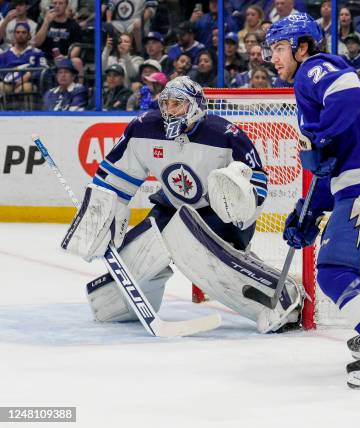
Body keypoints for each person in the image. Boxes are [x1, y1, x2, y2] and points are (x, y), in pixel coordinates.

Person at [60, 76, 303, 336]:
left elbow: (256, 182)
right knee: (137, 252)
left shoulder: (226, 135)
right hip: (172, 206)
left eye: (178, 104)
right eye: (166, 104)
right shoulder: (144, 129)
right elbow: (114, 180)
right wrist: (101, 218)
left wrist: (240, 206)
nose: (169, 111)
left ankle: (281, 296)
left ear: (196, 107)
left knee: (202, 256)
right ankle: (122, 306)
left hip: (219, 215)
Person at [265, 13, 360, 388]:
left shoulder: (314, 68)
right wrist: (309, 210)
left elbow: (347, 94)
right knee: (352, 270)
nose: (274, 58)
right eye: (271, 50)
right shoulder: (311, 85)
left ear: (302, 48)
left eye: (281, 48)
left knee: (334, 270)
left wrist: (319, 138)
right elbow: (327, 163)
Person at [33, 0, 82, 70]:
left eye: (61, 3)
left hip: (65, 59)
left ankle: (78, 81)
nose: (57, 6)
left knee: (77, 62)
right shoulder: (44, 22)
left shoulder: (74, 25)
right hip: (45, 59)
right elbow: (37, 43)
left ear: (66, 5)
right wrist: (46, 23)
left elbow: (77, 47)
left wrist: (66, 57)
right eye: (55, 3)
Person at [0, 22, 47, 96]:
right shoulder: (4, 55)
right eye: (17, 32)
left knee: (26, 87)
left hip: (28, 83)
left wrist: (29, 75)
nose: (20, 35)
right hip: (9, 84)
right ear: (14, 35)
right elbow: (1, 73)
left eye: (24, 32)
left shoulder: (37, 53)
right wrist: (12, 80)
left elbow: (44, 70)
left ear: (29, 35)